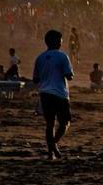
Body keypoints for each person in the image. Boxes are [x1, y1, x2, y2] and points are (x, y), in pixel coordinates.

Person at [32, 29, 75, 161]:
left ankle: (51, 152)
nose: (62, 42)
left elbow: (35, 79)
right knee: (65, 123)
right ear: (56, 41)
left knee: (50, 124)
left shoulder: (40, 57)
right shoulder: (62, 56)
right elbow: (69, 76)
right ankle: (53, 143)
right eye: (61, 39)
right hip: (60, 93)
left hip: (45, 93)